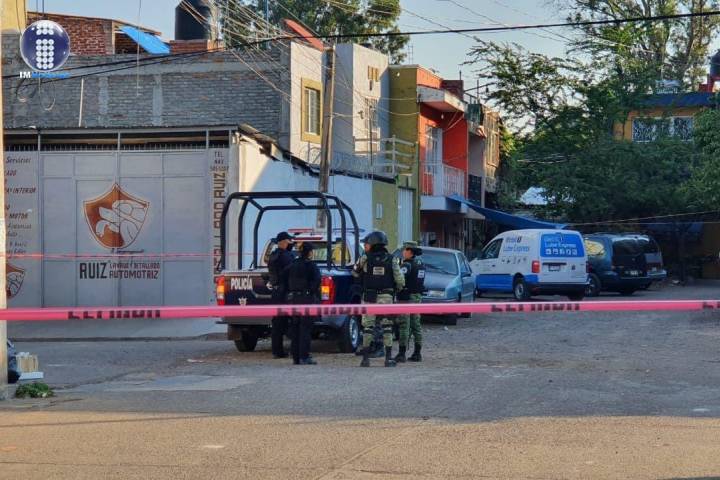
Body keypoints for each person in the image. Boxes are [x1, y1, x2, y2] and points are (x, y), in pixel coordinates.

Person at [352, 230, 405, 367]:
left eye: (367, 243)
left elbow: (354, 272)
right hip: (386, 297)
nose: (366, 246)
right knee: (387, 327)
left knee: (367, 328)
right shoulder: (392, 259)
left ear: (373, 243)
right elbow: (400, 280)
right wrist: (397, 289)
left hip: (369, 297)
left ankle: (365, 359)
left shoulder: (365, 258)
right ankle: (388, 359)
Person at [282, 242, 320, 365]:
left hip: (293, 299)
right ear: (309, 253)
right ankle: (304, 356)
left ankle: (296, 357)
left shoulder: (292, 264)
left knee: (295, 328)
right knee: (305, 329)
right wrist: (310, 291)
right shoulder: (311, 265)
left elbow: (283, 277)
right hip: (306, 299)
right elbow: (317, 281)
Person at [396, 241, 425, 363]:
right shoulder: (420, 264)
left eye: (404, 250)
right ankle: (417, 353)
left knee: (404, 325)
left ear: (410, 252)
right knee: (416, 325)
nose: (403, 252)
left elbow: (399, 280)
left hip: (407, 298)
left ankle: (401, 353)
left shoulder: (406, 265)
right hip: (417, 297)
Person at [267, 231, 295, 359]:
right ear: (283, 242)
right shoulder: (286, 256)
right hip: (285, 292)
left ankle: (276, 350)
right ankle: (294, 350)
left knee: (277, 323)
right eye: (289, 241)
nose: (291, 244)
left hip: (276, 292)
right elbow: (292, 272)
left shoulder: (273, 255)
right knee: (292, 321)